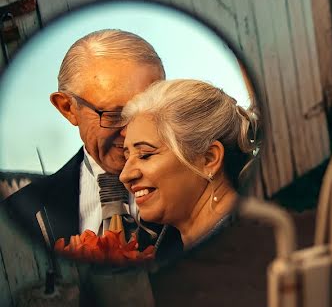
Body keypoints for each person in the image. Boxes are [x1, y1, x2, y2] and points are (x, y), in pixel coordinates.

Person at [4, 29, 180, 257]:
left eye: (149, 111)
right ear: (67, 108)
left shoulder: (205, 185)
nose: (132, 132)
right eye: (114, 115)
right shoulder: (22, 212)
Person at [120, 79, 258, 249]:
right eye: (126, 157)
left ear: (209, 159)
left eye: (145, 155)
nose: (125, 175)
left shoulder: (248, 245)